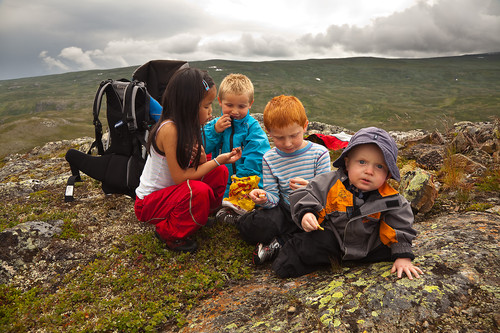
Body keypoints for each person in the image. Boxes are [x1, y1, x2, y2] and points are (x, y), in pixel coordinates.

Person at [272, 127, 423, 279]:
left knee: (390, 249)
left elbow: (400, 226)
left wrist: (402, 257)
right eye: (362, 162)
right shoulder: (330, 182)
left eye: (379, 166)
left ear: (388, 174)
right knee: (298, 255)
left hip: (368, 247)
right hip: (334, 240)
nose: (369, 171)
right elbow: (307, 193)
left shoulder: (392, 199)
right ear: (347, 163)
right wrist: (307, 213)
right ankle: (281, 244)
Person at [134, 68, 242, 253]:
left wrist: (203, 160)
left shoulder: (188, 125)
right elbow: (181, 178)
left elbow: (191, 167)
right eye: (206, 106)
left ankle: (199, 215)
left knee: (219, 172)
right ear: (189, 105)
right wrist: (217, 160)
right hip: (149, 204)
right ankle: (168, 232)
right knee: (198, 190)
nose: (210, 112)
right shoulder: (170, 130)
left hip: (172, 194)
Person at [237, 95, 332, 264]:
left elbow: (327, 193)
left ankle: (278, 243)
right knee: (255, 225)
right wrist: (264, 198)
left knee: (324, 231)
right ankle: (281, 240)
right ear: (269, 132)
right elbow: (274, 198)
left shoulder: (320, 154)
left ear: (305, 126)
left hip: (312, 211)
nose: (288, 143)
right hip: (284, 210)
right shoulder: (269, 158)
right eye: (279, 138)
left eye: (293, 135)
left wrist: (311, 188)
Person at [202, 73, 270, 222]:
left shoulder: (253, 128)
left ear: (250, 104)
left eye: (241, 106)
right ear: (220, 101)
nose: (235, 111)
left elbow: (256, 159)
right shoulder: (215, 125)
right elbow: (202, 148)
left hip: (245, 182)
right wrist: (214, 131)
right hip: (221, 181)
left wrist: (237, 185)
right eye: (229, 105)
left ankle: (234, 211)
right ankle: (227, 209)